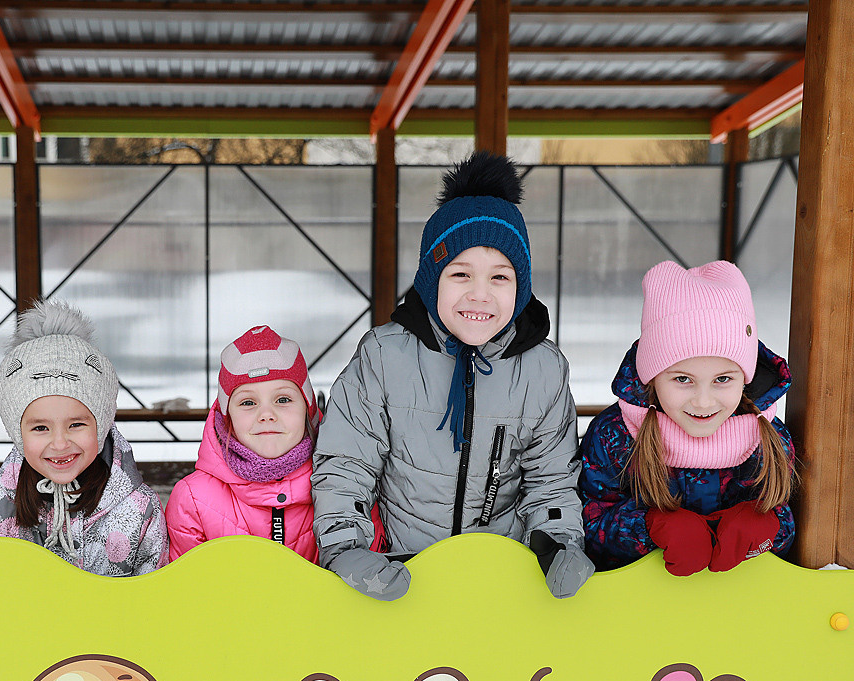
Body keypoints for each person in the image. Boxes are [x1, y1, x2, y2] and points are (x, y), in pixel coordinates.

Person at [312, 151, 593, 601]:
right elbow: (347, 463)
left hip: (500, 581)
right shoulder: (384, 356)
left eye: (500, 277)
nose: (480, 295)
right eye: (460, 274)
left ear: (520, 286)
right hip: (399, 575)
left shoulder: (543, 369)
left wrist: (558, 544)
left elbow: (551, 479)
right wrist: (346, 548)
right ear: (431, 279)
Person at [579, 260, 795, 574]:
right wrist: (648, 527)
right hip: (639, 610)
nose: (704, 401)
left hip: (740, 611)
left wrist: (770, 526)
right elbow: (588, 522)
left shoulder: (768, 438)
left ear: (745, 378)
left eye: (723, 379)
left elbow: (794, 519)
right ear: (652, 376)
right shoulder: (616, 436)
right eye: (683, 379)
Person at [0, 299, 167, 576]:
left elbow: (154, 599)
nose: (60, 443)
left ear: (101, 424)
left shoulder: (140, 508)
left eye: (76, 424)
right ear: (17, 431)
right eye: (40, 428)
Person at [165, 325, 325, 561]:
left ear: (308, 409)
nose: (267, 414)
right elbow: (187, 592)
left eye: (283, 399)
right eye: (248, 402)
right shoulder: (192, 500)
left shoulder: (343, 486)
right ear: (226, 417)